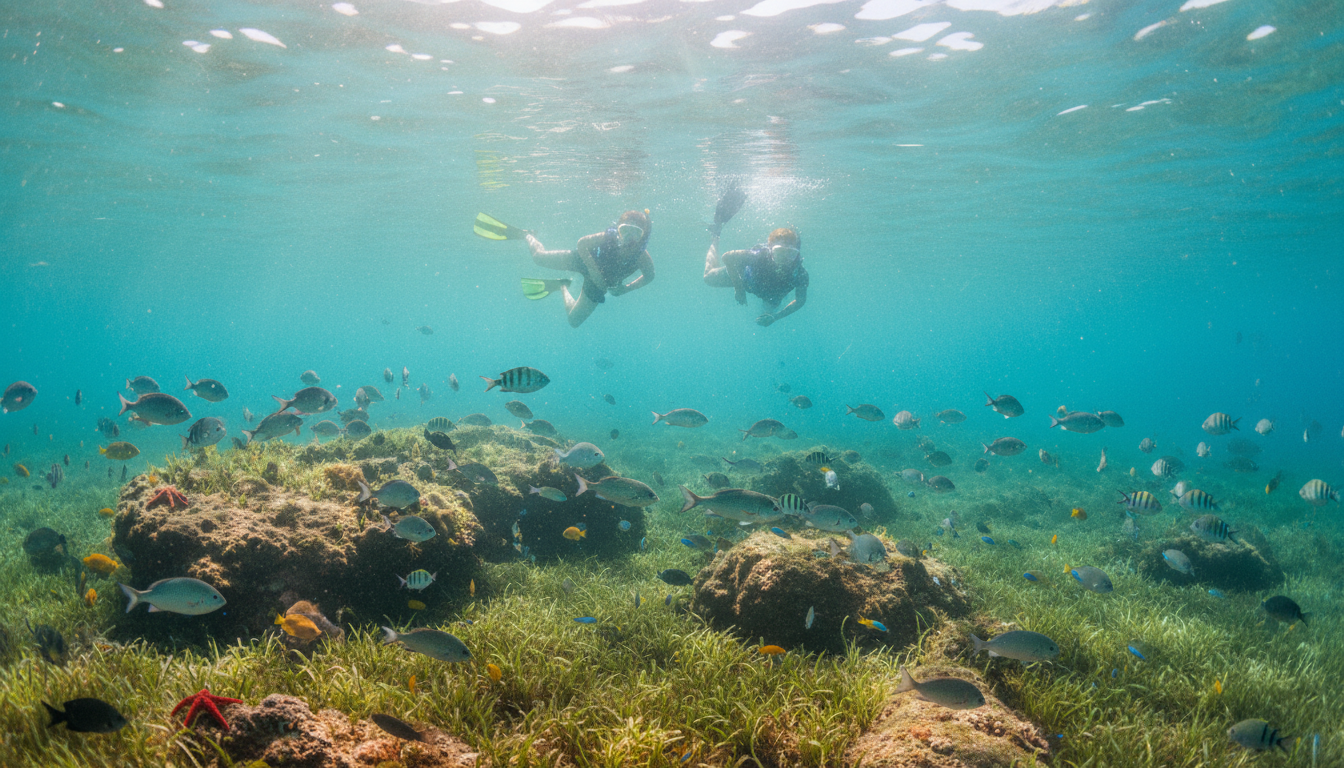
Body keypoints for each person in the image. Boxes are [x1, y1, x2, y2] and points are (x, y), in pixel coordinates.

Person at [525, 210, 655, 328]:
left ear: (642, 236)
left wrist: (626, 289)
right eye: (625, 230)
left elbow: (650, 276)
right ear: (618, 230)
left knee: (573, 320)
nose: (629, 238)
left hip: (598, 284)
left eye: (636, 233)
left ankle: (562, 285)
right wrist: (594, 271)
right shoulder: (608, 237)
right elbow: (582, 243)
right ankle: (529, 235)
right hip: (584, 260)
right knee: (538, 258)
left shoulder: (641, 256)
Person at [703, 227, 807, 327]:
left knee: (766, 317)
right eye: (779, 252)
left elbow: (800, 300)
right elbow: (727, 257)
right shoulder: (758, 256)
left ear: (797, 254)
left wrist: (775, 317)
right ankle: (715, 238)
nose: (785, 259)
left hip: (772, 296)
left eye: (791, 254)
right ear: (770, 248)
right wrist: (739, 288)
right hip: (745, 278)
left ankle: (770, 314)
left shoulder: (800, 273)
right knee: (708, 277)